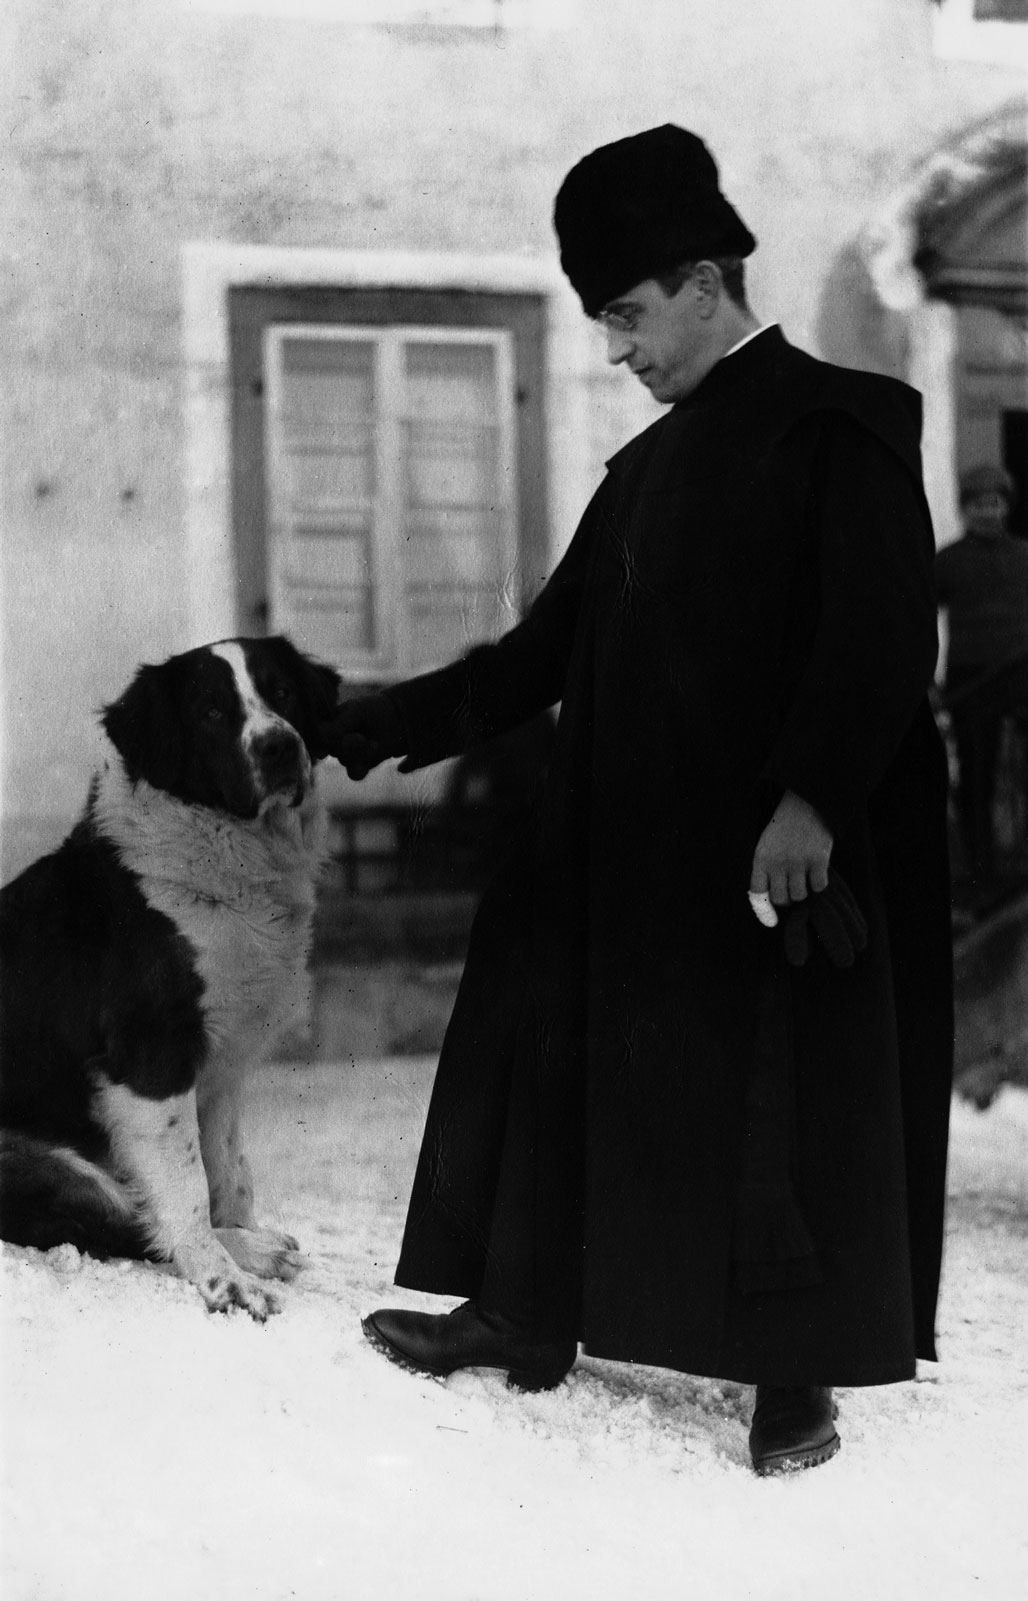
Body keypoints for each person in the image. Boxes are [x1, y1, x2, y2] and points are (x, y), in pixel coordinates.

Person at [319, 125, 954, 1476]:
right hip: (625, 846)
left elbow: (884, 633)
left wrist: (810, 802)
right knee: (549, 1027)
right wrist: (364, 723)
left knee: (780, 1091)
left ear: (705, 284)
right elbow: (535, 657)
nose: (615, 349)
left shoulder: (840, 423)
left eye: (626, 314)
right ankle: (523, 1305)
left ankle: (794, 1376)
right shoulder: (643, 473)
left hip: (770, 848)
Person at [935, 463, 1028, 889]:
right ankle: (980, 873)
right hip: (972, 682)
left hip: (1021, 675)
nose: (987, 512)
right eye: (977, 504)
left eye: (994, 503)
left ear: (1006, 506)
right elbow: (916, 617)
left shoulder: (1023, 555)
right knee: (976, 776)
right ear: (965, 510)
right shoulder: (948, 561)